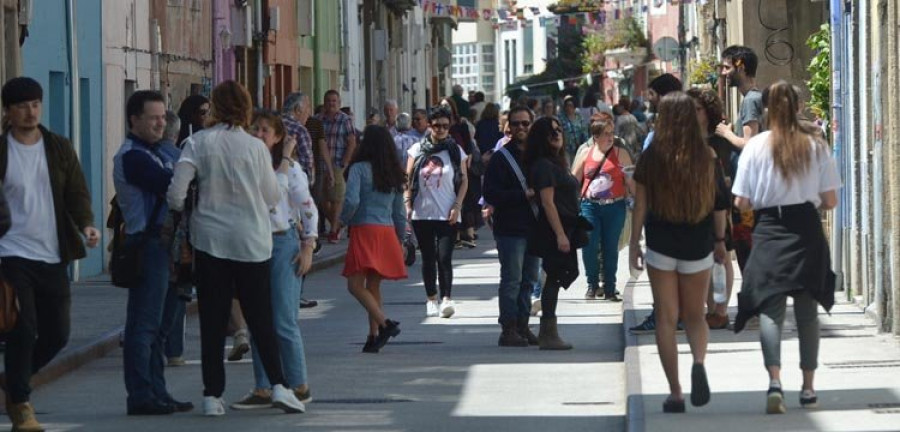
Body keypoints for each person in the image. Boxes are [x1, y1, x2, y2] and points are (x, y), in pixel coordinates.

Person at [166, 81, 306, 416]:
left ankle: (212, 396)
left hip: (210, 241)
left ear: (214, 107)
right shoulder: (256, 147)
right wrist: (280, 172)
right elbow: (272, 197)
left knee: (213, 320)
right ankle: (279, 386)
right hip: (252, 242)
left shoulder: (196, 143)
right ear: (245, 107)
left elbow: (175, 193)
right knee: (261, 317)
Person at [731, 81, 840, 414]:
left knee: (770, 309)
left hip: (769, 229)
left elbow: (741, 201)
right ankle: (808, 388)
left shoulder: (755, 146)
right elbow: (831, 201)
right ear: (798, 107)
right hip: (806, 228)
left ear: (767, 110)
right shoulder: (815, 145)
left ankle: (775, 382)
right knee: (807, 313)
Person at [0, 77, 100, 430]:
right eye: (23, 106)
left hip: (52, 252)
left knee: (57, 333)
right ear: (8, 111)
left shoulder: (57, 147)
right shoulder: (2, 150)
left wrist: (86, 224)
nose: (31, 112)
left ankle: (14, 382)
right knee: (23, 329)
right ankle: (22, 405)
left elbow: (76, 191)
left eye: (36, 104)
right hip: (11, 252)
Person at [629, 92, 730, 413]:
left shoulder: (651, 156)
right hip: (698, 243)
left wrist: (634, 245)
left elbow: (640, 205)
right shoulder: (707, 156)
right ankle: (698, 362)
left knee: (666, 317)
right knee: (695, 315)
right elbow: (719, 205)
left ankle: (674, 392)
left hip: (661, 243)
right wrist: (719, 242)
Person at [231, 112, 318, 410]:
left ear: (278, 137)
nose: (258, 134)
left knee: (283, 320)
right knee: (258, 320)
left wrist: (309, 244)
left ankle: (300, 385)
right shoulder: (245, 166)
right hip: (253, 245)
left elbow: (307, 208)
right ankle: (264, 387)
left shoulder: (290, 169)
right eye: (254, 128)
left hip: (282, 244)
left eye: (265, 130)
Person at [114, 91, 192, 416]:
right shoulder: (132, 156)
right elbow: (173, 184)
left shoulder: (160, 151)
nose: (161, 123)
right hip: (147, 246)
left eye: (163, 116)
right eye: (153, 117)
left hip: (168, 247)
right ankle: (141, 395)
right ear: (134, 120)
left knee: (161, 327)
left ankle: (158, 392)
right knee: (143, 325)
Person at [341, 125, 408, 353]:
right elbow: (400, 212)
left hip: (364, 229)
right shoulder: (393, 172)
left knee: (355, 285)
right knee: (373, 286)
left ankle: (385, 324)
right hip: (387, 231)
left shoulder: (358, 169)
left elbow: (351, 201)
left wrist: (342, 221)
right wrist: (401, 239)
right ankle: (373, 336)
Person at [630, 73, 684, 335]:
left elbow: (643, 191)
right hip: (688, 214)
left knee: (663, 272)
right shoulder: (692, 134)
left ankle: (663, 315)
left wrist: (633, 241)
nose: (648, 100)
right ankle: (683, 314)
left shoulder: (660, 136)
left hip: (660, 214)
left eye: (651, 94)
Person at [482, 106, 540, 347]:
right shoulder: (500, 158)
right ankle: (508, 328)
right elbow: (490, 193)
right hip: (510, 229)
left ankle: (524, 325)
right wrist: (521, 195)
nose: (520, 128)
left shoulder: (538, 155)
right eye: (516, 124)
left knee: (529, 280)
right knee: (512, 280)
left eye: (525, 123)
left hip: (534, 227)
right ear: (509, 127)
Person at [524, 116, 582, 350]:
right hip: (554, 229)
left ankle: (549, 331)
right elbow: (547, 203)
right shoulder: (544, 166)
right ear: (541, 138)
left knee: (559, 276)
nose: (557, 134)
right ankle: (548, 332)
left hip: (567, 225)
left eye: (558, 130)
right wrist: (559, 234)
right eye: (551, 132)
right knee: (554, 277)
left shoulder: (557, 163)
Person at [405, 107, 468, 319]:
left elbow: (464, 180)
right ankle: (431, 298)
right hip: (422, 213)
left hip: (448, 213)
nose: (441, 129)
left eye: (445, 126)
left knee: (445, 257)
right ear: (429, 126)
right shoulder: (417, 149)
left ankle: (447, 299)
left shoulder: (455, 150)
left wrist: (458, 205)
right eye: (436, 125)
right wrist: (407, 202)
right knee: (429, 258)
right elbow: (408, 178)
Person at [687, 88, 736, 330]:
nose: (694, 114)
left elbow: (727, 173)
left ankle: (721, 310)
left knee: (722, 256)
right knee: (703, 259)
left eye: (697, 109)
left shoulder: (719, 140)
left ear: (708, 112)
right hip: (693, 207)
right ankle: (710, 309)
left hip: (717, 205)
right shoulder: (685, 139)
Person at [572, 118, 634, 302]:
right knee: (589, 246)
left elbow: (631, 179)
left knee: (610, 247)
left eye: (612, 133)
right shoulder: (586, 153)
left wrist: (635, 199)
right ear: (595, 136)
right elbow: (572, 180)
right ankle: (592, 284)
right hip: (590, 206)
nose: (610, 137)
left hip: (615, 206)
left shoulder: (620, 154)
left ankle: (610, 287)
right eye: (606, 134)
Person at [716, 45, 764, 272]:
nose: (724, 73)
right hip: (750, 188)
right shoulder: (753, 98)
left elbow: (750, 143)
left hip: (749, 191)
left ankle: (755, 299)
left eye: (727, 67)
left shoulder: (750, 101)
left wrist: (726, 134)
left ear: (740, 67)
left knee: (747, 245)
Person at [160, 110, 189, 368]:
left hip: (152, 233)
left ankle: (156, 343)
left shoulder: (141, 155)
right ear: (176, 133)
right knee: (179, 290)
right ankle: (174, 350)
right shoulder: (182, 159)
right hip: (177, 236)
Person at [316, 90, 358, 244]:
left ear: (339, 103)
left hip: (337, 163)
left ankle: (333, 230)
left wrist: (345, 163)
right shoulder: (317, 120)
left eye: (334, 101)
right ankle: (337, 224)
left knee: (337, 197)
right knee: (321, 198)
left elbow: (351, 142)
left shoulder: (345, 120)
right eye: (328, 100)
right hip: (320, 164)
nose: (331, 103)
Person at [282, 92, 316, 184]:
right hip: (293, 183)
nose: (309, 113)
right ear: (298, 110)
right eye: (308, 107)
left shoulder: (272, 124)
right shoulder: (299, 130)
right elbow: (307, 164)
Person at [559, 95, 587, 162]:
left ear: (574, 107)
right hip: (566, 149)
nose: (568, 108)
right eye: (567, 106)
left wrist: (585, 146)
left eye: (570, 105)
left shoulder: (579, 118)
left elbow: (584, 132)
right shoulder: (561, 118)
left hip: (578, 149)